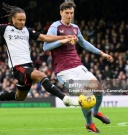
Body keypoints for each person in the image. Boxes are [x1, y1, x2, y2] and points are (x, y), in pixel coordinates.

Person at [0, 3, 79, 108]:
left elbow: (45, 37)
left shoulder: (27, 30)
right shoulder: (5, 28)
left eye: (24, 19)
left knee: (20, 97)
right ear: (12, 19)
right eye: (19, 20)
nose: (22, 22)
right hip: (18, 67)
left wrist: (64, 37)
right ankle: (65, 99)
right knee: (41, 75)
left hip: (27, 65)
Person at [43, 2, 113, 133]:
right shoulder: (55, 26)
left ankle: (96, 112)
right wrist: (62, 41)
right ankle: (89, 124)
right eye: (67, 13)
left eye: (71, 13)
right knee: (85, 95)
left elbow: (84, 43)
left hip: (78, 65)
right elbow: (45, 46)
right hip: (64, 70)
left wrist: (101, 53)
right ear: (61, 13)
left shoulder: (75, 27)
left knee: (98, 89)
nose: (69, 15)